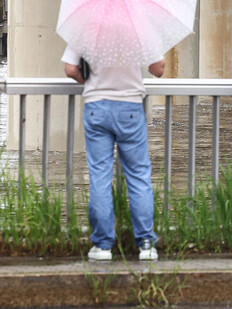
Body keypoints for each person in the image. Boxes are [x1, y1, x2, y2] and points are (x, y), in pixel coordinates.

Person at [63, 48, 165, 261]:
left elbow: (70, 69)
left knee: (100, 176)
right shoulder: (138, 26)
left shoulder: (84, 26)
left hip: (96, 106)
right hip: (130, 107)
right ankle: (146, 244)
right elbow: (158, 69)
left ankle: (102, 246)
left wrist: (90, 81)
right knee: (138, 177)